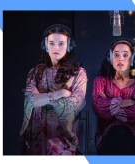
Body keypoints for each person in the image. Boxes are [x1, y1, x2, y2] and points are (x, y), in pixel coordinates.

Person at [19, 24, 87, 155]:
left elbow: (73, 105)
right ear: (45, 45)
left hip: (63, 138)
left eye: (61, 43)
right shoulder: (34, 73)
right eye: (52, 43)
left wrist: (42, 98)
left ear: (69, 46)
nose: (56, 47)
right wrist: (60, 93)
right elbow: (30, 101)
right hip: (36, 137)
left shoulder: (78, 73)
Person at [92, 38, 135, 155]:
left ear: (133, 58)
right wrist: (126, 102)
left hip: (134, 143)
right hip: (106, 141)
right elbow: (99, 107)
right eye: (116, 55)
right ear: (110, 58)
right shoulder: (101, 81)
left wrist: (111, 106)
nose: (120, 58)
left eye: (125, 55)